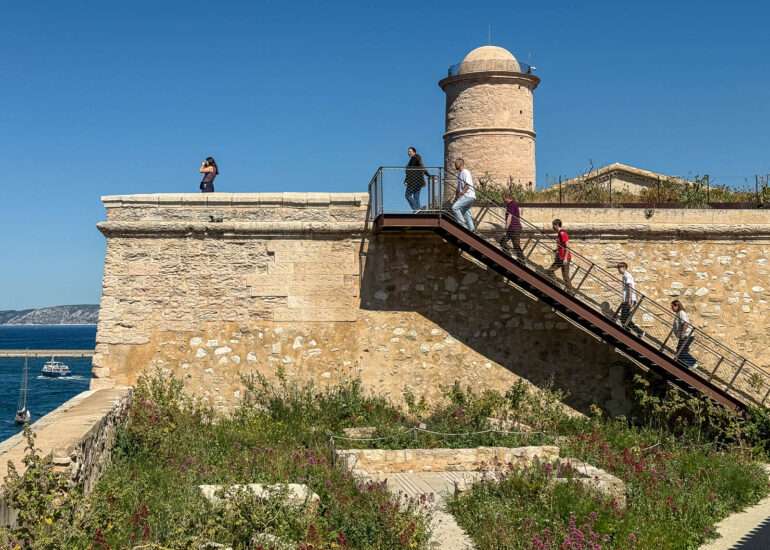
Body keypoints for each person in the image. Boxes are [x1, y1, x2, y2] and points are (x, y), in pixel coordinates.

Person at [615, 262, 644, 337]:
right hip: (627, 299)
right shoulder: (625, 275)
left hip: (629, 300)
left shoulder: (627, 275)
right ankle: (638, 332)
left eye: (619, 268)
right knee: (625, 318)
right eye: (618, 267)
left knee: (623, 318)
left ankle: (630, 333)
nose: (618, 269)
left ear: (624, 267)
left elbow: (630, 287)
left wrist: (629, 299)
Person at [544, 219, 573, 290]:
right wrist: (556, 250)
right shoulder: (560, 233)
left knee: (564, 275)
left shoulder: (562, 233)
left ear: (556, 225)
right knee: (564, 275)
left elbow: (567, 246)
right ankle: (565, 290)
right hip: (561, 258)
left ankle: (568, 292)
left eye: (553, 226)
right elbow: (562, 246)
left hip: (564, 258)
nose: (553, 228)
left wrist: (565, 258)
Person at [671, 299, 697, 368]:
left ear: (677, 306)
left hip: (687, 336)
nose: (671, 308)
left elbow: (686, 323)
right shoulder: (678, 313)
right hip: (684, 336)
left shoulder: (681, 313)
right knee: (679, 351)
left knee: (681, 351)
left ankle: (693, 362)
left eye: (672, 306)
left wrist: (682, 333)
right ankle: (684, 366)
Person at [451, 158, 475, 231]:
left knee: (454, 208)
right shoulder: (460, 174)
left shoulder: (465, 172)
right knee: (466, 212)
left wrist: (462, 193)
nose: (455, 164)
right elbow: (458, 188)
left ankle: (463, 226)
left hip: (468, 196)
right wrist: (456, 196)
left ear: (461, 164)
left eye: (456, 163)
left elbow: (468, 185)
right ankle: (471, 229)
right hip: (465, 196)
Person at [499, 193, 524, 260]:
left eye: (503, 199)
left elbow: (510, 216)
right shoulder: (513, 204)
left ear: (507, 198)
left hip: (514, 228)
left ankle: (521, 260)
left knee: (516, 245)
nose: (503, 200)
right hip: (513, 228)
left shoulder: (511, 204)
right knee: (503, 242)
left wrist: (506, 227)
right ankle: (509, 256)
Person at [404, 147, 428, 211]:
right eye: (408, 152)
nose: (408, 153)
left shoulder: (416, 157)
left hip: (414, 181)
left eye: (410, 151)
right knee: (416, 197)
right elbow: (420, 167)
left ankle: (416, 208)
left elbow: (421, 166)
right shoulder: (413, 159)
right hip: (418, 181)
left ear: (414, 152)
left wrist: (428, 174)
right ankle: (419, 210)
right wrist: (428, 175)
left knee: (407, 195)